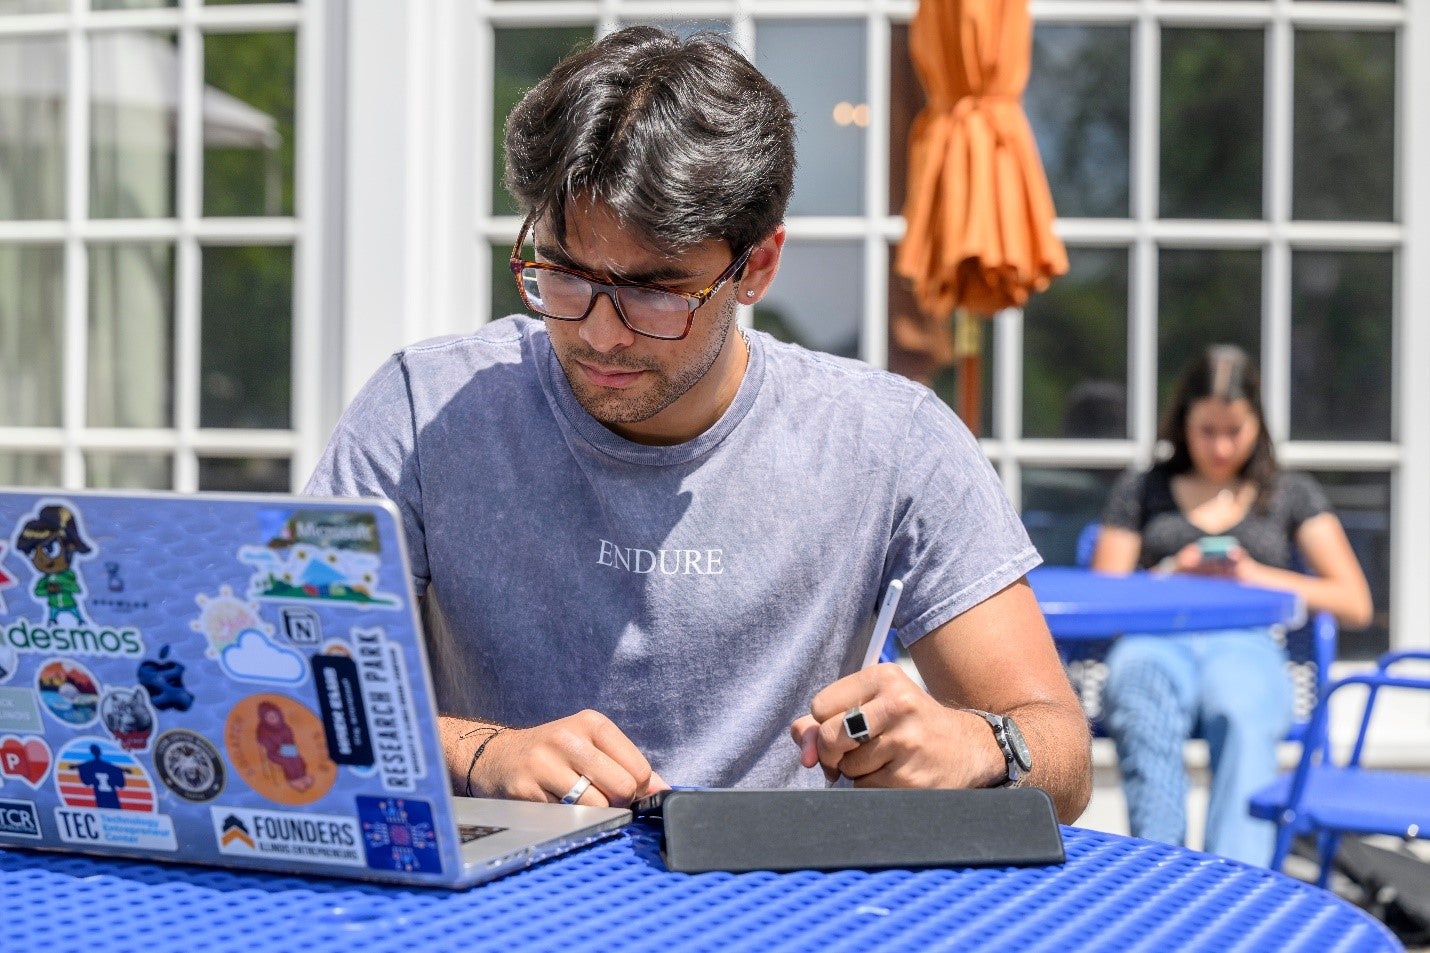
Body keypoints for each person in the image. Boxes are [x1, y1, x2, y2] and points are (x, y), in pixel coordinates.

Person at [305, 27, 1091, 821]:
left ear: (758, 265)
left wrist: (979, 746)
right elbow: (287, 685)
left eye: (656, 291)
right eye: (564, 273)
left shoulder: (890, 442)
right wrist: (478, 753)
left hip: (778, 906)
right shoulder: (424, 407)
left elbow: (1061, 752)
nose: (602, 332)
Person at [1091, 344, 1372, 865]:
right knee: (1138, 692)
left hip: (1246, 643)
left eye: (1235, 430)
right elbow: (1105, 593)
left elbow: (1354, 601)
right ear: (1182, 424)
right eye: (1207, 431)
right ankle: (1161, 874)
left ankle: (1236, 886)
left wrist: (1254, 576)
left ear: (1258, 425)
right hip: (1157, 638)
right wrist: (1174, 572)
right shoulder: (1143, 488)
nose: (1221, 447)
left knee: (1242, 712)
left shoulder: (1289, 493)